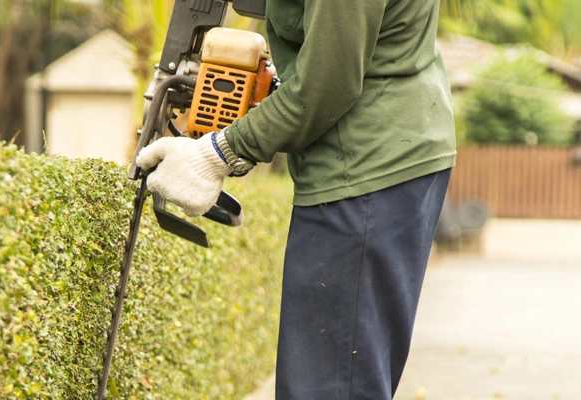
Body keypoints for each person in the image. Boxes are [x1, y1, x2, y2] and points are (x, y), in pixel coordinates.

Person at [134, 0, 457, 397]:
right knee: (345, 373)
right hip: (386, 160)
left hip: (363, 170)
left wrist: (220, 152)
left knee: (330, 384)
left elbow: (326, 86)